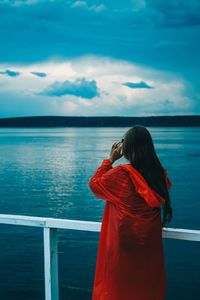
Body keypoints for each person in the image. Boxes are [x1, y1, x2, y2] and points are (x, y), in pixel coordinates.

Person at [89, 125, 172, 300]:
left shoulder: (123, 174)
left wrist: (109, 160)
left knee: (117, 291)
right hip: (148, 249)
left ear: (127, 148)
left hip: (122, 250)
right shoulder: (159, 175)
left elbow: (95, 185)